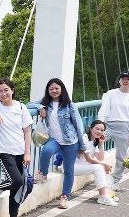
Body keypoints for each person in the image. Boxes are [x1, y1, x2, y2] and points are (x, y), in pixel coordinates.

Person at [30, 78, 87, 209]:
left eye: (57, 88)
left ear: (62, 89)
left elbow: (79, 126)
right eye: (51, 89)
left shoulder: (69, 105)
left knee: (68, 170)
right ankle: (43, 173)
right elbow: (28, 105)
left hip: (70, 141)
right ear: (48, 91)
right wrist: (40, 107)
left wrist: (82, 146)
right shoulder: (46, 103)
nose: (54, 91)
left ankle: (64, 197)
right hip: (54, 139)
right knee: (46, 151)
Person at [0, 78, 32, 217]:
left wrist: (27, 153)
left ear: (12, 90)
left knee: (19, 187)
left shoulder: (21, 107)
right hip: (4, 151)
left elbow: (27, 131)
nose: (3, 93)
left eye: (6, 90)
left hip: (20, 151)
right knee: (16, 180)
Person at [97, 72, 129, 192]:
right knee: (95, 143)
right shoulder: (111, 94)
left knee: (121, 157)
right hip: (109, 126)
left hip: (124, 128)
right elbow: (103, 110)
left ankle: (116, 181)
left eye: (128, 79)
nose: (125, 81)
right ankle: (99, 175)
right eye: (123, 78)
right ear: (119, 81)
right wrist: (99, 125)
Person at [73, 120, 119, 206]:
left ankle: (106, 194)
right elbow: (89, 159)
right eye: (97, 129)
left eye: (102, 130)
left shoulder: (94, 141)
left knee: (101, 166)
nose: (99, 132)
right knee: (99, 167)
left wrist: (101, 143)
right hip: (72, 167)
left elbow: (101, 159)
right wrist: (104, 165)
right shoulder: (84, 139)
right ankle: (103, 197)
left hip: (81, 166)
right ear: (90, 129)